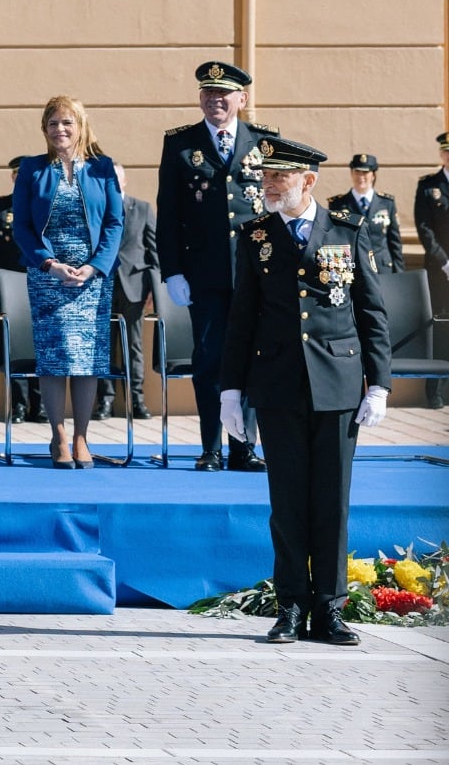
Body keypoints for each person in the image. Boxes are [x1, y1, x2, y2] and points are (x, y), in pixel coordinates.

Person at [219, 138, 390, 646]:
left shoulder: (347, 230)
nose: (268, 185)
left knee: (332, 501)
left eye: (279, 178)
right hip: (277, 384)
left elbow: (371, 313)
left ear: (307, 182)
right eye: (266, 177)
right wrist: (231, 390)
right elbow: (242, 317)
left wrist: (378, 383)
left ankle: (330, 610)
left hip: (338, 384)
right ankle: (291, 607)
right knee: (287, 501)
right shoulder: (254, 235)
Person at [156, 60, 278, 471]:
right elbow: (168, 212)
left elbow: (278, 210)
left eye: (223, 94)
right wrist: (171, 270)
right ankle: (210, 447)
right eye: (208, 94)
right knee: (209, 360)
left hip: (254, 275)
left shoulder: (265, 144)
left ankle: (243, 448)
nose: (215, 101)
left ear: (241, 99)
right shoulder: (180, 144)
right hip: (203, 276)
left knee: (250, 357)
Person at [12, 97, 124, 469]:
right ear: (44, 130)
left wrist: (95, 267)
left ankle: (81, 437)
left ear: (80, 126)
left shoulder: (102, 167)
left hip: (92, 278)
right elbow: (22, 226)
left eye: (67, 123)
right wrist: (49, 264)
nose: (60, 130)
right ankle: (58, 435)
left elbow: (114, 223)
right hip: (49, 275)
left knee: (87, 360)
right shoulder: (32, 169)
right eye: (53, 124)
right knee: (55, 357)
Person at [0, 155, 42, 423]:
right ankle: (17, 404)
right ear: (13, 177)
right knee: (12, 347)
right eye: (18, 174)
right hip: (9, 289)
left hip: (40, 286)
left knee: (41, 347)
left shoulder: (46, 204)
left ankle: (40, 405)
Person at [94, 162, 158, 420]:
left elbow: (154, 250)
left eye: (116, 178)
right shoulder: (95, 209)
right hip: (102, 286)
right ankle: (105, 401)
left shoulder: (142, 208)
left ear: (125, 181)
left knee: (133, 345)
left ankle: (136, 400)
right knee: (104, 346)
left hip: (135, 285)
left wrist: (156, 289)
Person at [415, 132, 449, 410]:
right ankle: (435, 393)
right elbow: (424, 228)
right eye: (446, 152)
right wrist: (444, 262)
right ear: (441, 155)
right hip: (440, 271)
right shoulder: (429, 186)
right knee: (439, 329)